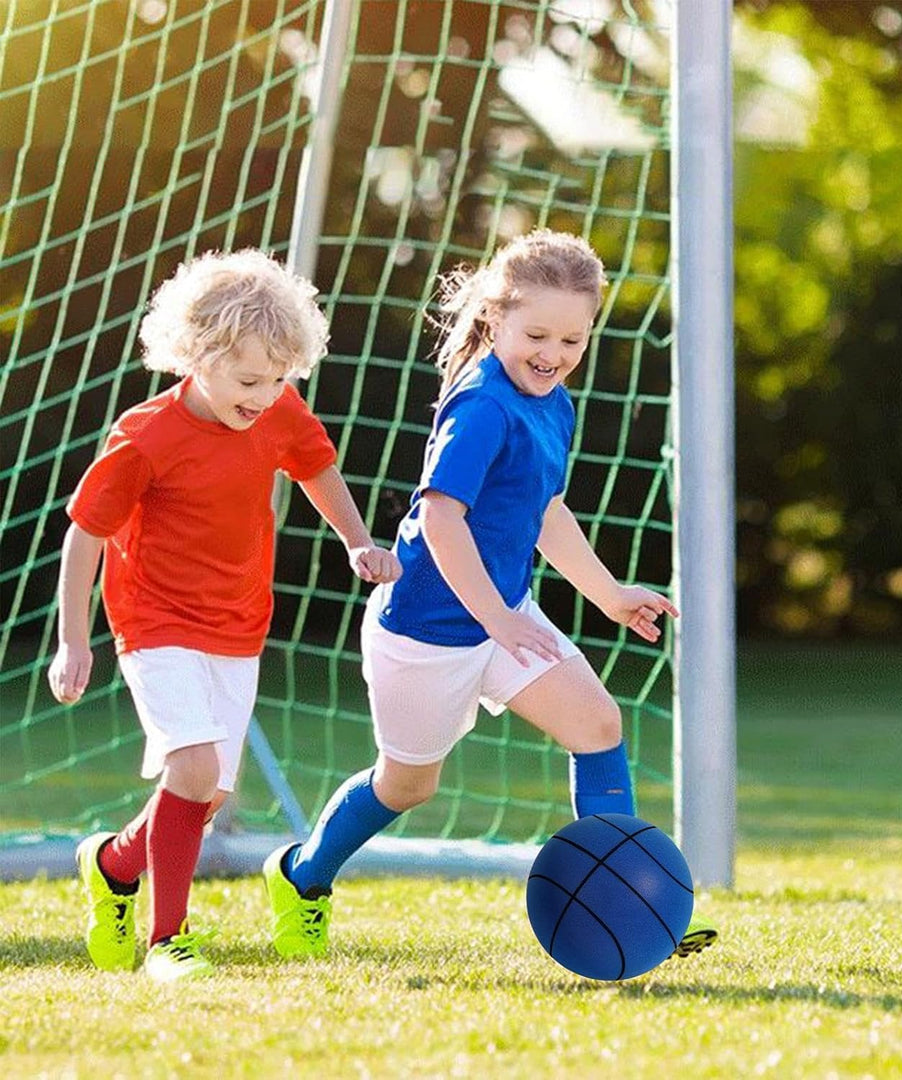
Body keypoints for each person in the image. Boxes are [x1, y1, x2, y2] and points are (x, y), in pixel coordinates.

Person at [262, 229, 716, 962]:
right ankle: (303, 876)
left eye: (572, 338)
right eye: (536, 333)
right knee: (407, 786)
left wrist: (606, 594)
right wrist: (497, 619)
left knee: (599, 725)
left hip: (503, 618)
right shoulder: (480, 404)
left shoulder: (553, 401)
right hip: (427, 633)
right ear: (496, 318)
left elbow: (545, 510)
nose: (553, 352)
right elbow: (441, 518)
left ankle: (630, 909)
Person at [47, 249, 401, 982]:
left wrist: (358, 540)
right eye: (249, 379)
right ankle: (167, 943)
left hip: (239, 624)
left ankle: (114, 865)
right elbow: (85, 533)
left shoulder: (277, 409)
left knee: (203, 794)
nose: (266, 395)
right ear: (197, 356)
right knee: (194, 766)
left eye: (279, 379)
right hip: (153, 621)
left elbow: (314, 466)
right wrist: (72, 642)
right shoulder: (145, 438)